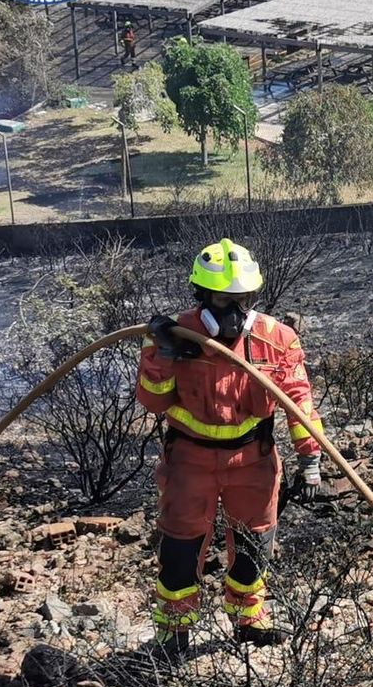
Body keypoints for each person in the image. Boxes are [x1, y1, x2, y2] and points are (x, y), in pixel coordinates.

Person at [135, 239, 328, 655]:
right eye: (224, 300)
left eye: (243, 300)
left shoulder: (276, 339)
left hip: (253, 459)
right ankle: (173, 632)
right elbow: (151, 400)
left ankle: (249, 619)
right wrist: (164, 354)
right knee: (181, 547)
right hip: (190, 459)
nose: (234, 312)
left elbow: (299, 399)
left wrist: (309, 458)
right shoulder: (175, 333)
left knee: (255, 541)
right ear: (202, 296)